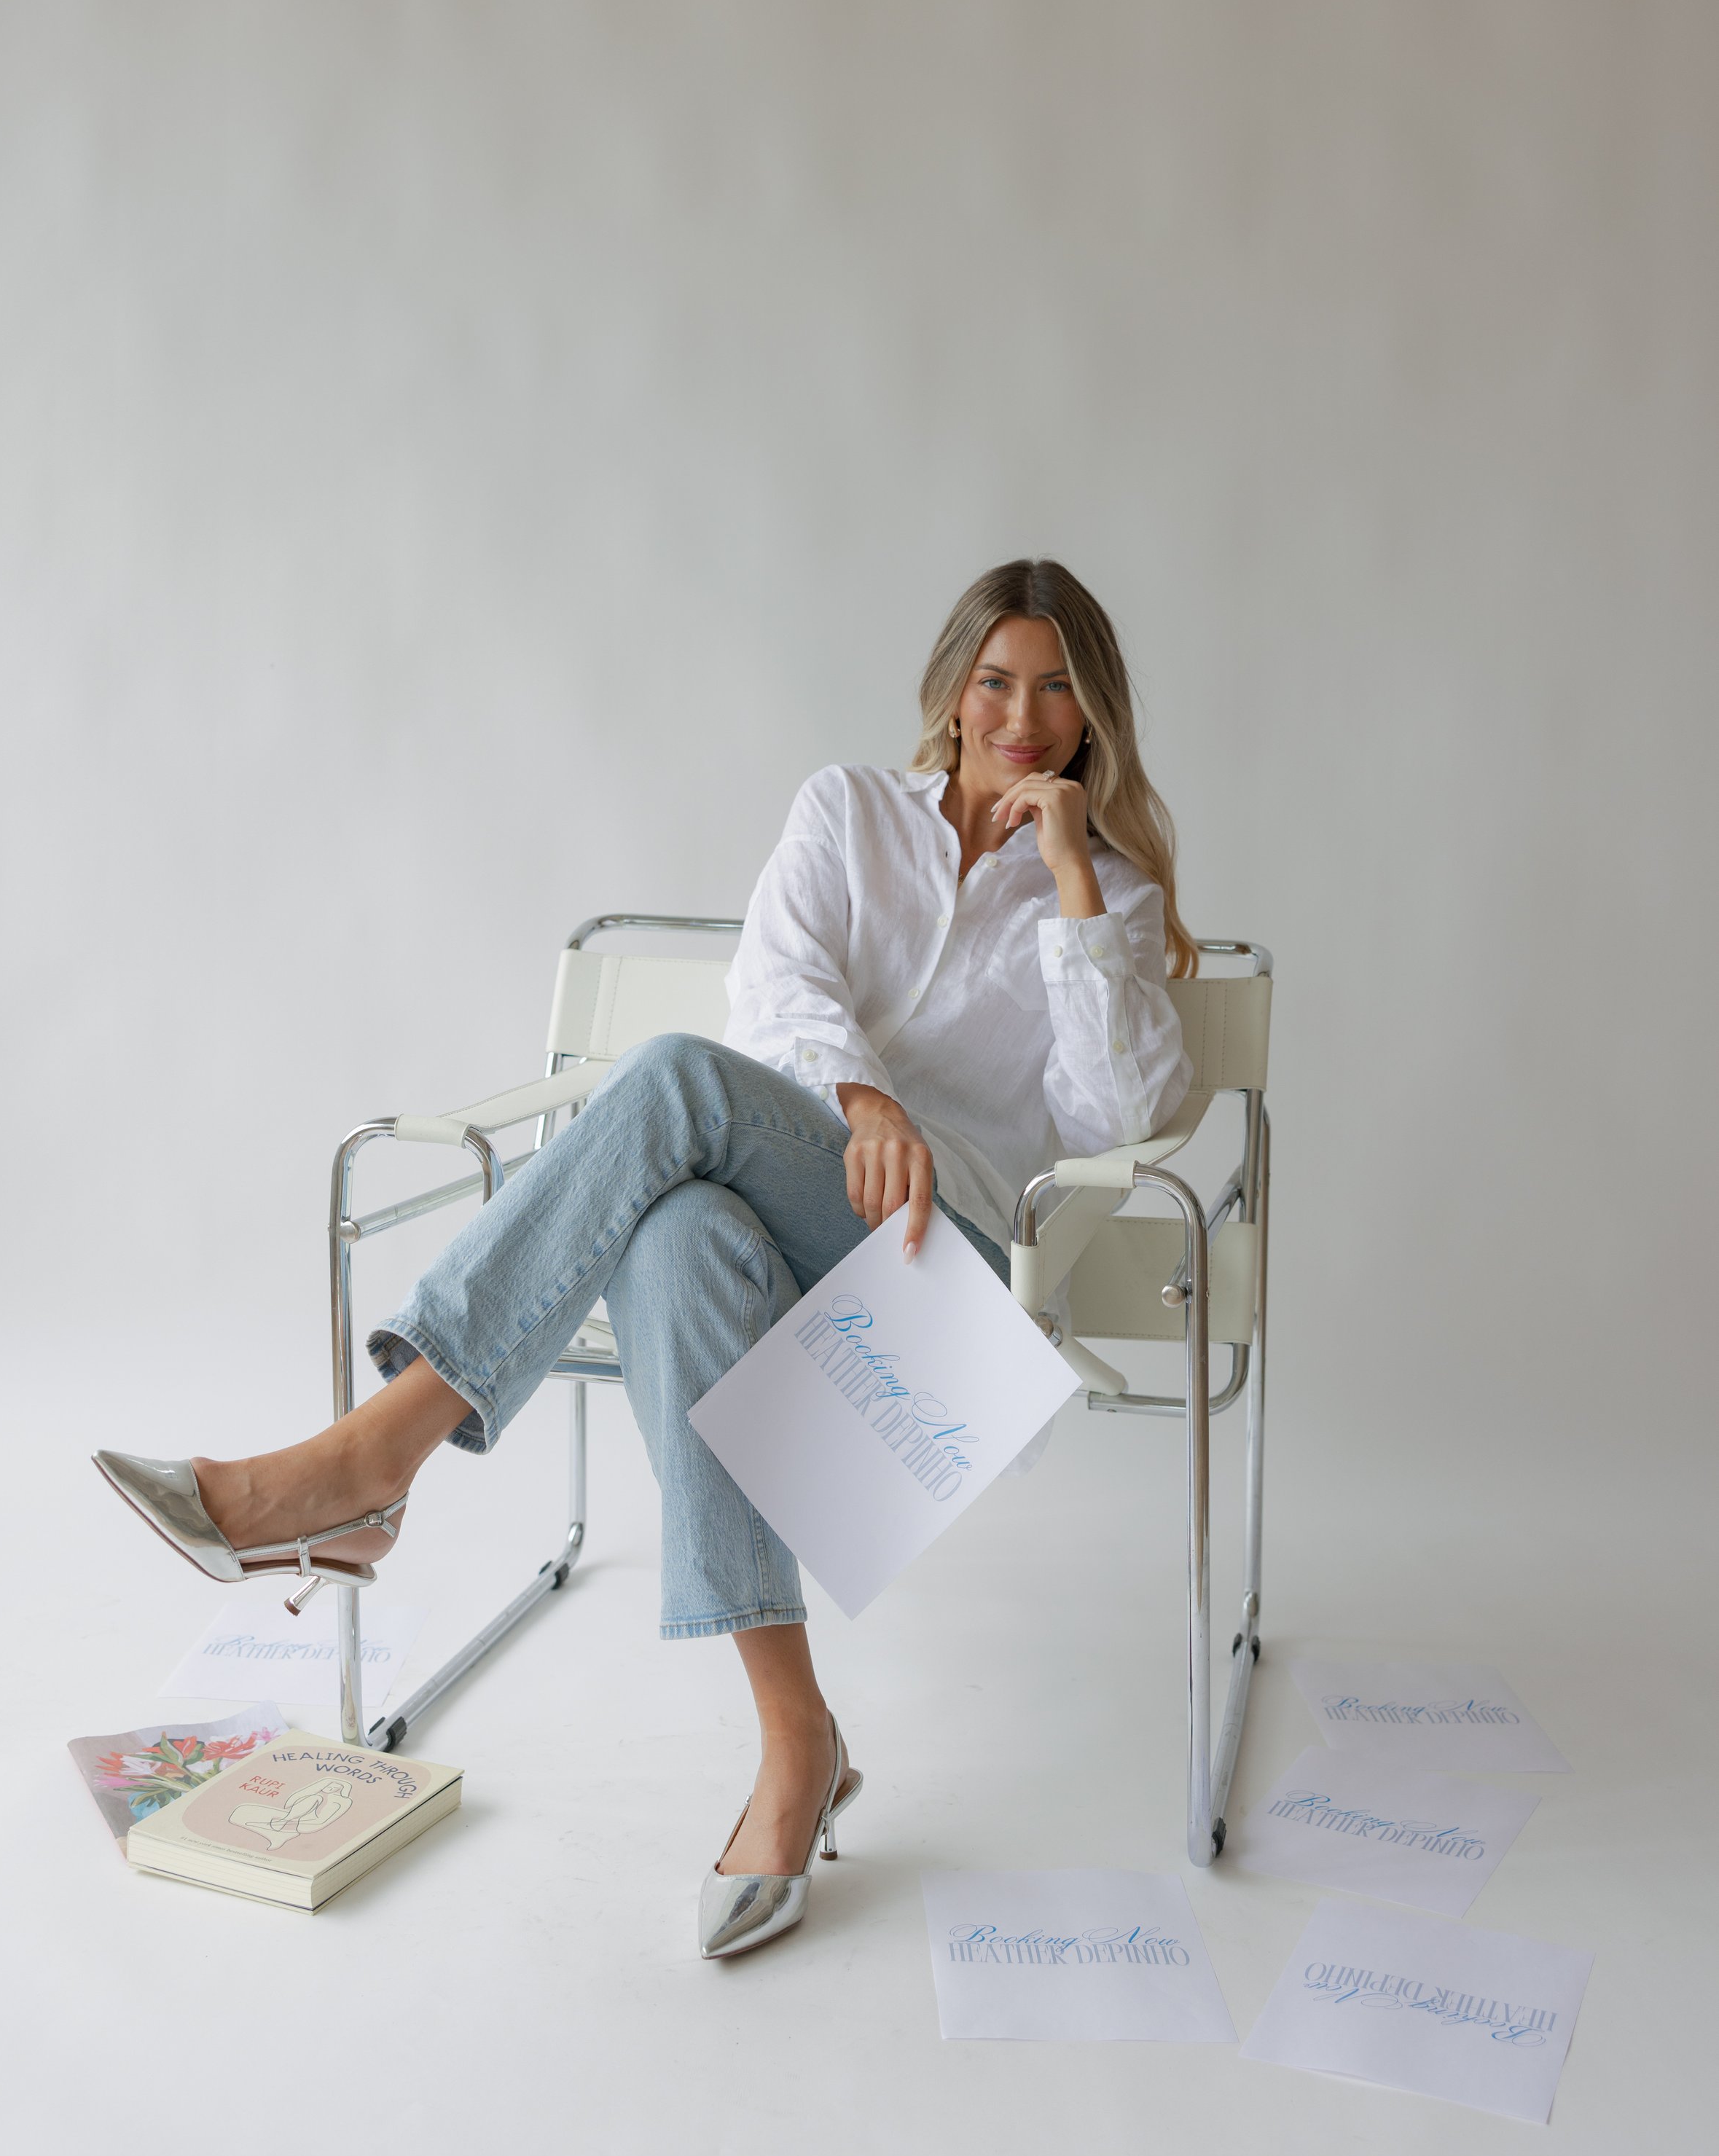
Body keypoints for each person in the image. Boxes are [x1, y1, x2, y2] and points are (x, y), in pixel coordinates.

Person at [95, 557, 1194, 1956]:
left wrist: (1068, 883)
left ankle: (371, 1463)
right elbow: (778, 984)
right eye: (995, 681)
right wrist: (864, 1098)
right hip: (808, 1215)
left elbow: (1119, 1119)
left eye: (1053, 690)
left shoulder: (1111, 899)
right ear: (952, 687)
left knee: (675, 1078)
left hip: (956, 1274)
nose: (1020, 718)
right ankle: (798, 1745)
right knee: (672, 1233)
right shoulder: (849, 812)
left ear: (1091, 713)